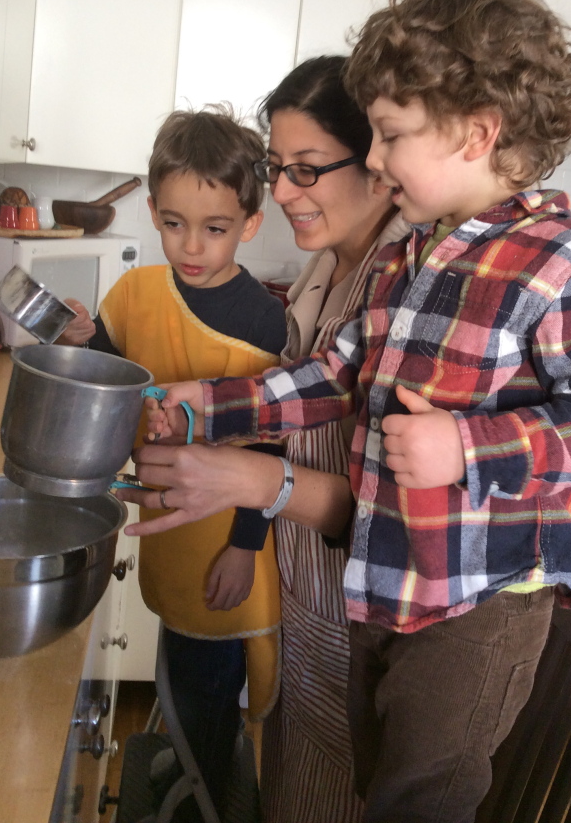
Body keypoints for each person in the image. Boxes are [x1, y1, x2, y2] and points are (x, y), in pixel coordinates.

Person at [121, 0, 571, 823]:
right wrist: (206, 406)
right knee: (378, 789)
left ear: (478, 134)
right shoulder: (419, 261)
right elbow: (336, 376)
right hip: (393, 590)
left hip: (483, 606)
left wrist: (468, 449)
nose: (373, 159)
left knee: (419, 801)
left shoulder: (566, 263)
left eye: (390, 135)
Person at [129, 56, 406, 823]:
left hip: (359, 620)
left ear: (380, 165)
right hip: (301, 599)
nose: (282, 192)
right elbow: (284, 408)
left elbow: (399, 515)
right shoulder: (323, 276)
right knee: (283, 782)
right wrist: (199, 413)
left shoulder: (403, 289)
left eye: (306, 171)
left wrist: (255, 487)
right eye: (277, 169)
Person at [59, 105, 287, 820]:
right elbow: (113, 381)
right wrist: (87, 338)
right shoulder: (134, 294)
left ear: (250, 224)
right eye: (174, 224)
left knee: (207, 688)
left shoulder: (263, 322)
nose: (191, 245)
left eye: (215, 228)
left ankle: (203, 799)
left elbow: (271, 445)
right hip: (163, 528)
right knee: (183, 674)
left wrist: (246, 548)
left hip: (224, 540)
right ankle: (194, 780)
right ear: (154, 211)